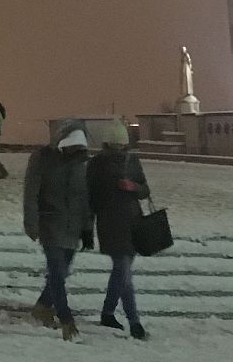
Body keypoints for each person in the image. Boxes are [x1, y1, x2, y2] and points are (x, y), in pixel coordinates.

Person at [23, 123, 94, 341]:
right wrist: (31, 223)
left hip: (72, 227)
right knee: (56, 272)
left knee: (61, 272)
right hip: (51, 224)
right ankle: (66, 319)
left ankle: (43, 306)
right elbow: (31, 192)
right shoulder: (42, 159)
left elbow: (85, 199)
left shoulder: (80, 164)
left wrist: (87, 229)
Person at [87, 119, 150, 341]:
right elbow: (91, 197)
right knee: (123, 272)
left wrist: (133, 187)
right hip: (111, 224)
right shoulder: (97, 164)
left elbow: (145, 190)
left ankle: (107, 312)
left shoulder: (132, 161)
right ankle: (135, 322)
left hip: (132, 222)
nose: (118, 149)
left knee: (120, 272)